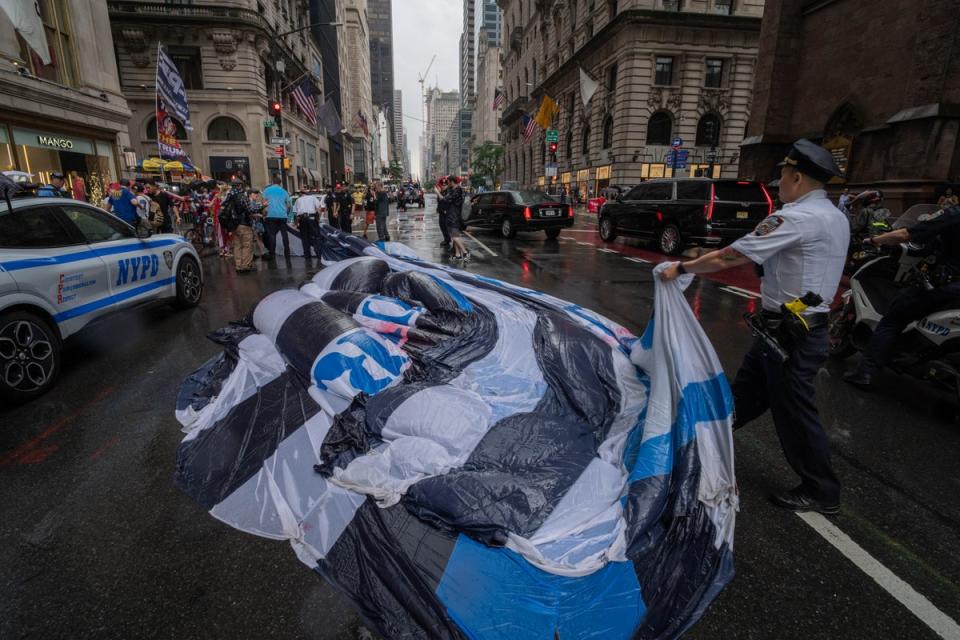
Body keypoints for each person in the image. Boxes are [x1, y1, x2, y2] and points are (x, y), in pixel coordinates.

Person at [660, 139, 848, 516]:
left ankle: (822, 490)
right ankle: (700, 446)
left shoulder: (796, 217)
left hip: (792, 335)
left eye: (781, 175)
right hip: (786, 330)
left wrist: (680, 268)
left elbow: (732, 255)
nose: (778, 182)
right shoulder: (834, 215)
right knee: (742, 397)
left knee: (794, 412)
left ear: (796, 176)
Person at [844, 205, 960, 388]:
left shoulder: (954, 213)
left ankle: (865, 373)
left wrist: (874, 240)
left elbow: (905, 235)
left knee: (893, 319)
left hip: (943, 286)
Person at [222, 181, 255, 273]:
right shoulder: (241, 196)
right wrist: (261, 206)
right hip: (244, 224)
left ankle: (238, 266)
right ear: (239, 186)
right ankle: (245, 265)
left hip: (233, 225)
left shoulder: (228, 197)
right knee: (246, 245)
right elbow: (250, 210)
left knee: (237, 246)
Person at [439, 175, 469, 261]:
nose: (447, 183)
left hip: (454, 216)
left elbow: (446, 199)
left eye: (448, 182)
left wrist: (438, 192)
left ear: (452, 181)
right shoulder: (454, 190)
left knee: (454, 236)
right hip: (452, 215)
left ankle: (465, 252)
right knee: (455, 236)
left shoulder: (457, 190)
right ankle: (457, 254)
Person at [262, 175, 292, 258]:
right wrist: (286, 213)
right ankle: (287, 252)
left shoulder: (266, 190)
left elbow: (264, 204)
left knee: (272, 235)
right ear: (280, 183)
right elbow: (289, 205)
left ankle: (272, 253)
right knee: (284, 234)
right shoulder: (284, 191)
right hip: (282, 215)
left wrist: (264, 214)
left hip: (271, 215)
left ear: (272, 182)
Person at [294, 188, 323, 259]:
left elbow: (297, 214)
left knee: (305, 238)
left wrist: (296, 223)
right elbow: (319, 209)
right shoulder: (313, 198)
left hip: (302, 219)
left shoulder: (298, 200)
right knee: (316, 237)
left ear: (301, 193)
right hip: (312, 219)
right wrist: (318, 219)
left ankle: (307, 255)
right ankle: (318, 254)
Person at [436, 177, 451, 251]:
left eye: (445, 185)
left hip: (446, 212)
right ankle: (446, 239)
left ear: (447, 185)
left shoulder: (448, 192)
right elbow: (439, 202)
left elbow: (445, 200)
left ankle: (448, 240)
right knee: (442, 226)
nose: (443, 186)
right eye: (442, 185)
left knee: (446, 226)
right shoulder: (441, 191)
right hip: (441, 212)